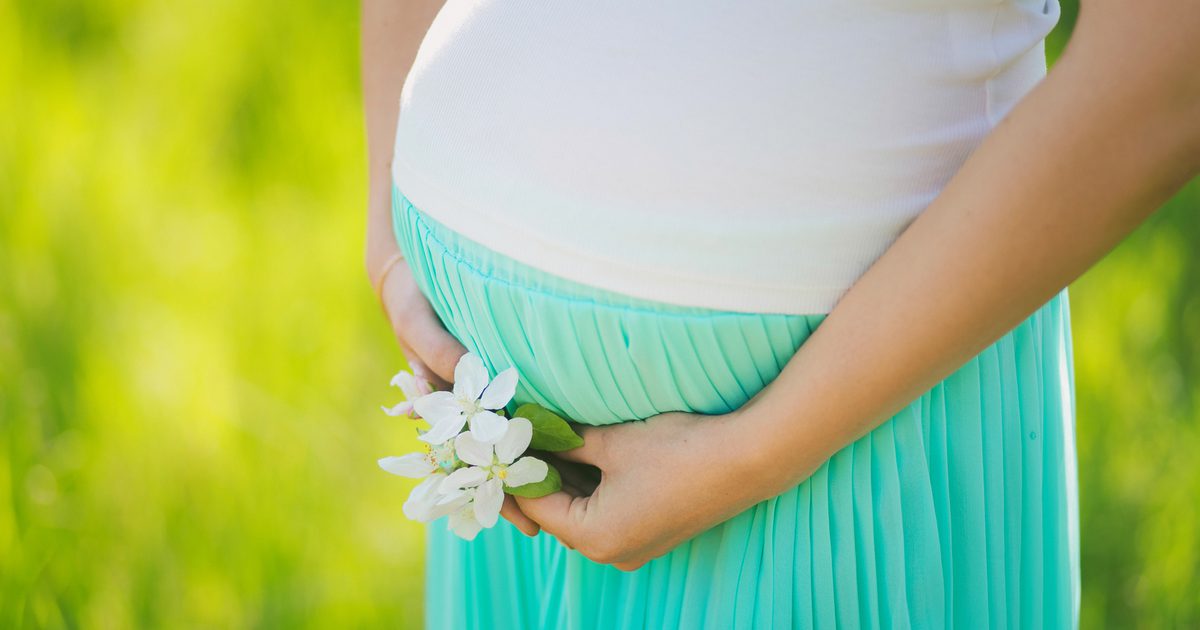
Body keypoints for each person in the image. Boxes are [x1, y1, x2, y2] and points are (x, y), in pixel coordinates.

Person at [361, 1, 1200, 628]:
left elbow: (1171, 60)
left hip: (841, 428)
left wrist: (751, 455)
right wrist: (387, 230)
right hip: (491, 446)